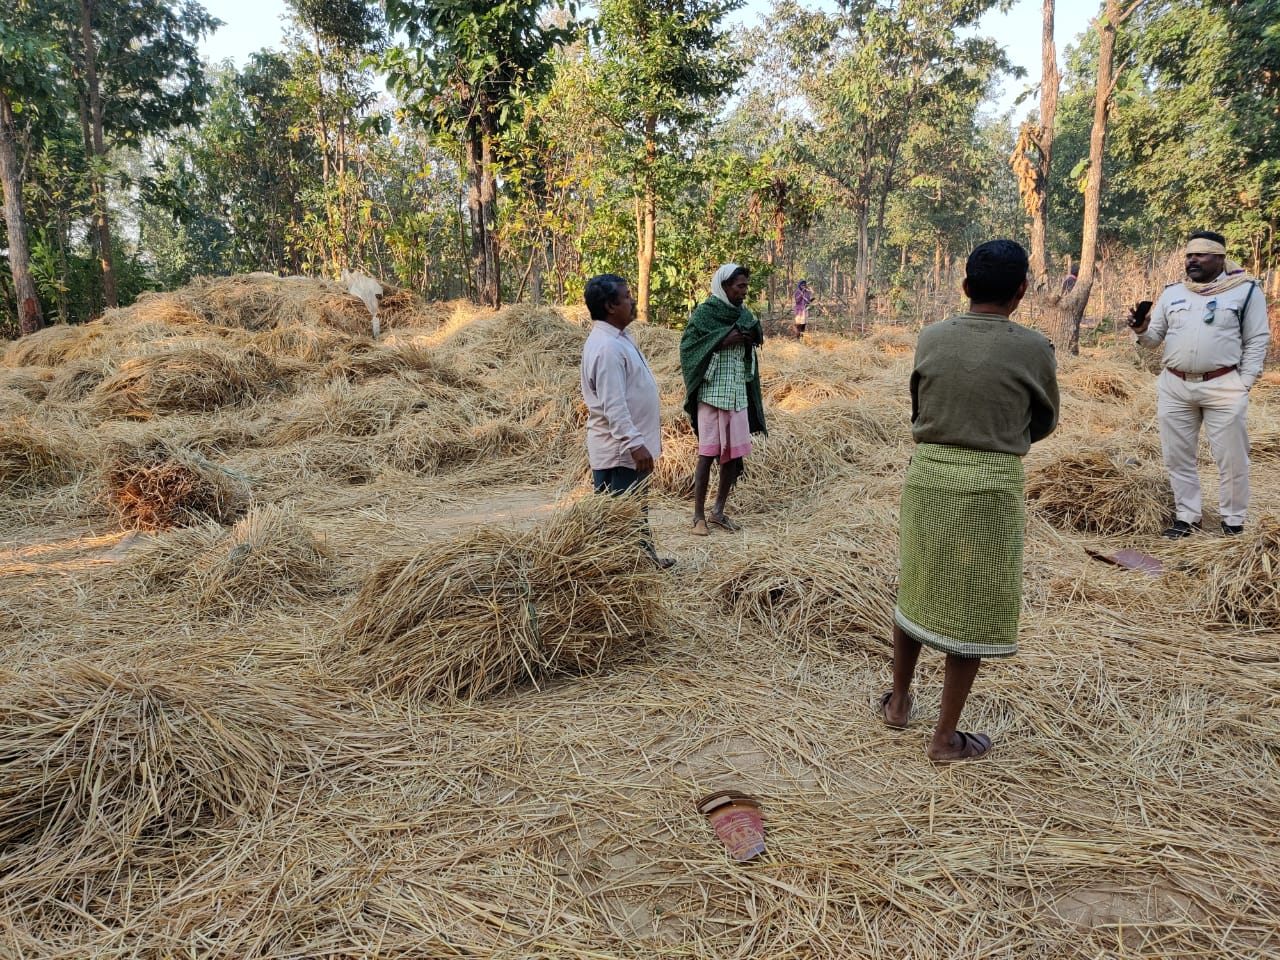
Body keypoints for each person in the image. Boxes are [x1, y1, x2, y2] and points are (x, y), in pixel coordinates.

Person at [881, 239, 1058, 762]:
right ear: (1022, 290)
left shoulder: (931, 337)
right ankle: (943, 739)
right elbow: (1044, 421)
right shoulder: (1035, 348)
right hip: (992, 485)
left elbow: (919, 404)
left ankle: (898, 704)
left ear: (965, 286)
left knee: (915, 585)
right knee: (973, 608)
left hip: (929, 476)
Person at [1128, 231, 1270, 538]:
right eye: (1189, 255)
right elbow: (1153, 341)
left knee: (1231, 457)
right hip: (1175, 386)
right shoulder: (1173, 293)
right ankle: (1187, 517)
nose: (1192, 260)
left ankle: (1232, 521)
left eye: (1201, 254)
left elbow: (1257, 338)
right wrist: (1141, 329)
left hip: (1223, 385)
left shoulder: (1245, 291)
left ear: (1219, 257)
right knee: (1178, 456)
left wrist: (1244, 382)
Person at [581, 273, 674, 569]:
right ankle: (621, 574)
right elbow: (614, 405)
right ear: (610, 306)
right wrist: (635, 443)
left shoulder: (618, 338)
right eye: (626, 297)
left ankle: (645, 563)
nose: (633, 301)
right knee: (621, 516)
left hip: (626, 446)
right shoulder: (607, 348)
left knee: (634, 511)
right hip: (620, 451)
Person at [679, 264, 767, 536]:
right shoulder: (706, 313)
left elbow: (755, 333)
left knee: (732, 456)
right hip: (712, 395)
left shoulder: (743, 314)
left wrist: (746, 335)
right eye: (739, 287)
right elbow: (689, 348)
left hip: (737, 394)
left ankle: (718, 511)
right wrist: (722, 340)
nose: (744, 292)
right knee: (707, 455)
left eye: (745, 287)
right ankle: (698, 517)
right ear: (724, 286)